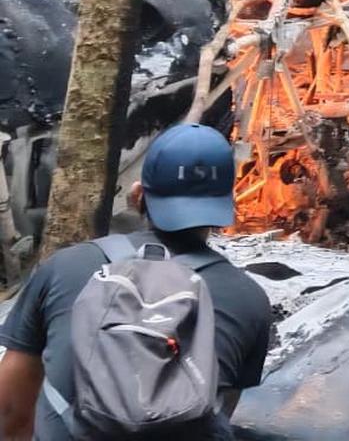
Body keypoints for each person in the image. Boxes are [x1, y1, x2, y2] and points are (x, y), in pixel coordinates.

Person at [0, 124, 272, 441]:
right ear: (227, 206)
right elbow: (217, 415)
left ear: (137, 195)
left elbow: (10, 412)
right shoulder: (249, 300)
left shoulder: (63, 268)